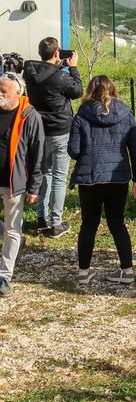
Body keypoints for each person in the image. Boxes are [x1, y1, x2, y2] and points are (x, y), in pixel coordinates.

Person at [67, 75, 136, 285]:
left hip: (89, 178)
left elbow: (73, 151)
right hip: (118, 177)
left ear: (90, 91)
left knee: (88, 224)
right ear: (113, 89)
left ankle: (84, 271)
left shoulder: (81, 115)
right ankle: (126, 270)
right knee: (117, 223)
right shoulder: (126, 114)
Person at [23, 36, 83, 237]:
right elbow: (77, 91)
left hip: (39, 130)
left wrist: (57, 67)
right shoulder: (59, 77)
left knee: (44, 172)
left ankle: (41, 219)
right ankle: (56, 223)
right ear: (57, 53)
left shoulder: (30, 73)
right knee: (58, 176)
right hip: (59, 131)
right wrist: (73, 68)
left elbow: (47, 77)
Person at [0, 72, 44, 296]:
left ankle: (4, 276)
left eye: (3, 92)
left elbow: (38, 153)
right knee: (9, 230)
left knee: (12, 229)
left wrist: (35, 186)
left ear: (17, 93)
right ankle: (12, 238)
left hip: (13, 183)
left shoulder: (29, 116)